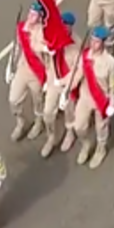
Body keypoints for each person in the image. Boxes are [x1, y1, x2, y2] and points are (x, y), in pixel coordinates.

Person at [64, 25, 114, 169]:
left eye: (96, 41)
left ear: (103, 43)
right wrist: (65, 84)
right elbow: (77, 74)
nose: (93, 44)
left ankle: (101, 148)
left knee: (101, 127)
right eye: (92, 40)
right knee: (79, 127)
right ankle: (86, 144)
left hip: (101, 99)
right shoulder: (85, 56)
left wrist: (112, 104)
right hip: (86, 96)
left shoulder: (110, 63)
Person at [37, 10, 78, 158]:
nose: (64, 27)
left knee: (69, 112)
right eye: (62, 24)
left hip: (67, 84)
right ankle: (51, 137)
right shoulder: (52, 38)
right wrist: (46, 49)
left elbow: (77, 70)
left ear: (71, 27)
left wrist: (68, 86)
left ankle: (69, 132)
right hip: (54, 80)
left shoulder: (75, 45)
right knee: (48, 112)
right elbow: (38, 47)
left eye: (67, 25)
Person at [6, 1, 49, 141]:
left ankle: (39, 122)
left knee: (38, 101)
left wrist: (49, 77)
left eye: (35, 14)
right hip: (23, 67)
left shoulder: (43, 33)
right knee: (13, 99)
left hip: (37, 72)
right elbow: (17, 48)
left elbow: (47, 57)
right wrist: (10, 66)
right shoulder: (21, 28)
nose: (31, 16)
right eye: (30, 13)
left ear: (40, 17)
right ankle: (20, 122)